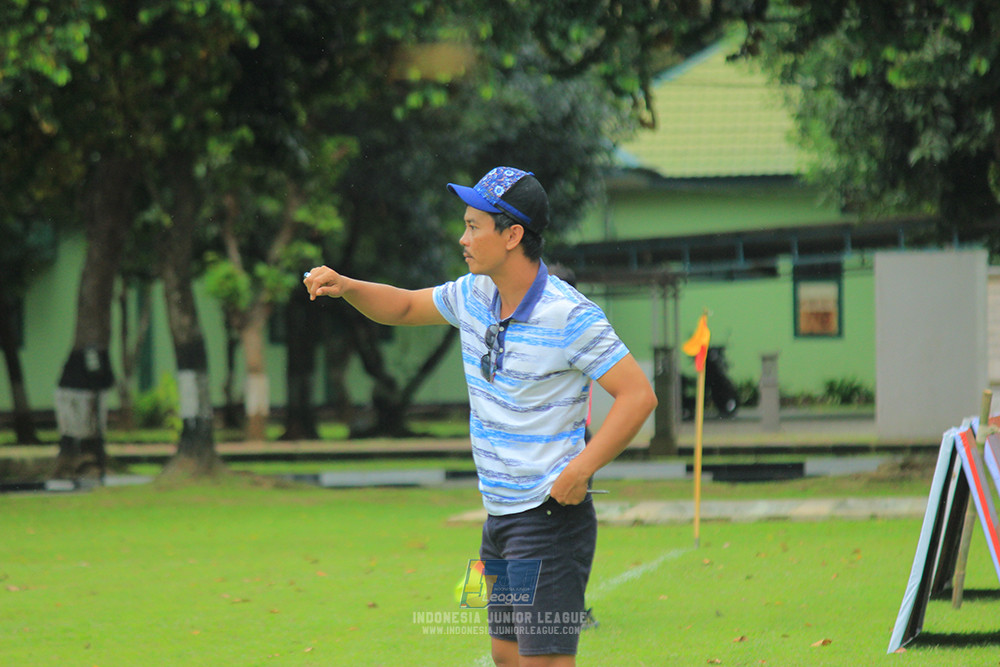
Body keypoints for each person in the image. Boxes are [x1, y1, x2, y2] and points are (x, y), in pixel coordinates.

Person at [304, 166, 657, 667]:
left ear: (512, 235)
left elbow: (638, 396)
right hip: (500, 514)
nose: (462, 238)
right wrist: (346, 286)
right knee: (505, 655)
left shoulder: (569, 315)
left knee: (544, 661)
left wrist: (581, 470)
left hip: (549, 517)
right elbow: (404, 308)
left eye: (474, 226)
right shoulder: (474, 295)